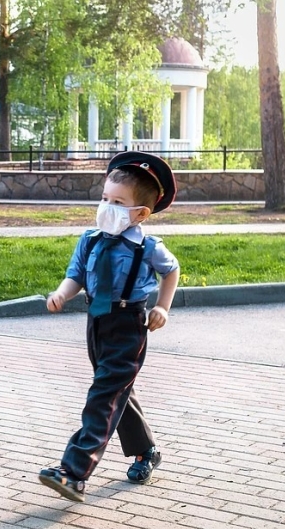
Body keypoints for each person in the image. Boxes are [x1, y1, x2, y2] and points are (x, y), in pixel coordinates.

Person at [38, 151, 181, 503]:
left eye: (118, 202)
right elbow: (76, 277)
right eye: (105, 198)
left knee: (103, 398)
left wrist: (162, 306)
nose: (107, 206)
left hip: (129, 326)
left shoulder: (148, 247)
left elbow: (172, 270)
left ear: (140, 213)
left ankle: (74, 473)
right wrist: (61, 294)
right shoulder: (90, 239)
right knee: (117, 393)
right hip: (97, 323)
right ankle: (146, 451)